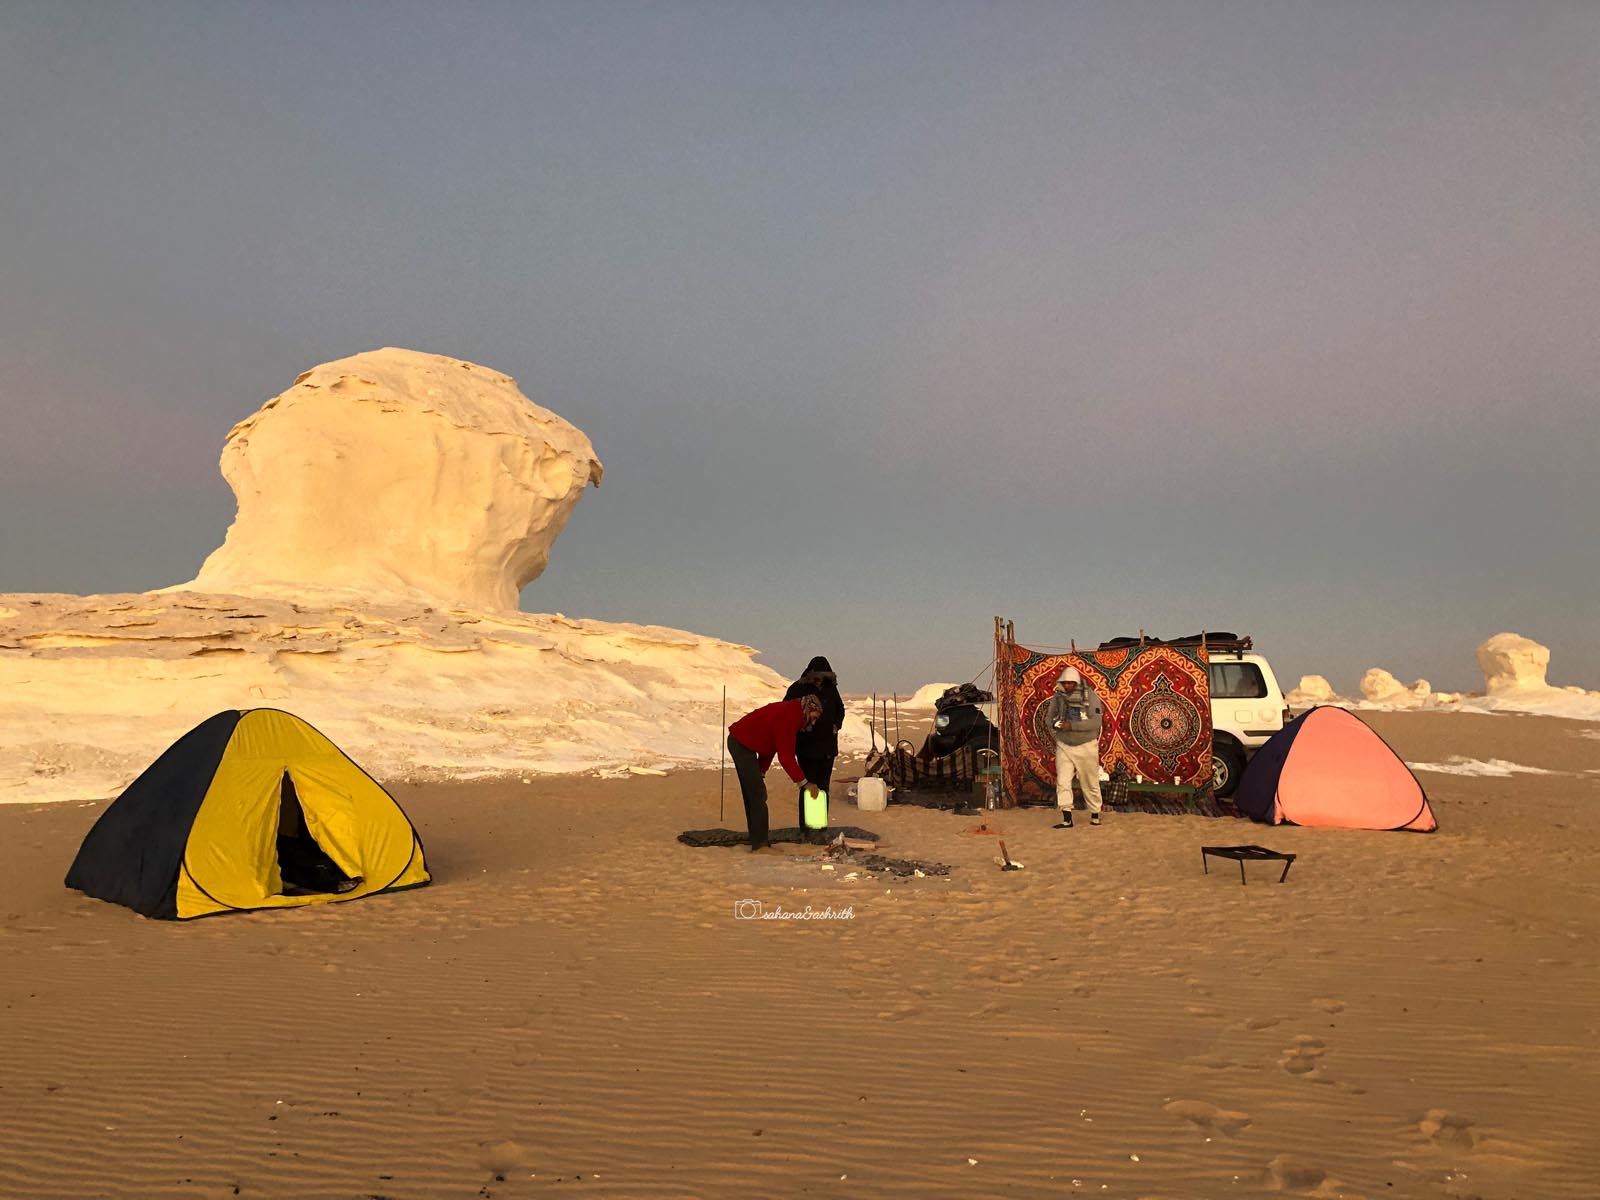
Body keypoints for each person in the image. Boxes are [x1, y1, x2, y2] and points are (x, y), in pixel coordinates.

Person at [727, 694, 824, 851]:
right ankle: (760, 845)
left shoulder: (792, 715)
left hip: (745, 744)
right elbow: (786, 757)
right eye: (813, 717)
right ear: (808, 709)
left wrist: (761, 771)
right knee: (757, 794)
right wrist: (804, 783)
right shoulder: (789, 717)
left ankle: (756, 838)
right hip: (741, 743)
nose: (813, 722)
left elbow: (770, 745)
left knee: (754, 793)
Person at [783, 656, 846, 823]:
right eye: (817, 676)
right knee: (808, 786)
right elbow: (786, 712)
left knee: (823, 788)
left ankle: (819, 824)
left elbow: (840, 709)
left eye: (824, 676)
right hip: (807, 748)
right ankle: (807, 826)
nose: (820, 680)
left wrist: (836, 725)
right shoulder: (797, 689)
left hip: (827, 747)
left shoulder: (830, 689)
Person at [1045, 667, 1104, 828]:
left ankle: (1095, 813)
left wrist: (1072, 726)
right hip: (1064, 744)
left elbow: (1095, 722)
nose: (1068, 686)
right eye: (1066, 683)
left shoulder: (1090, 697)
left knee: (1089, 781)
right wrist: (1056, 724)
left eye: (1071, 683)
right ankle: (1067, 818)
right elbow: (1049, 718)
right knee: (1063, 781)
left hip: (1086, 745)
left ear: (1077, 683)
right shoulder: (1057, 698)